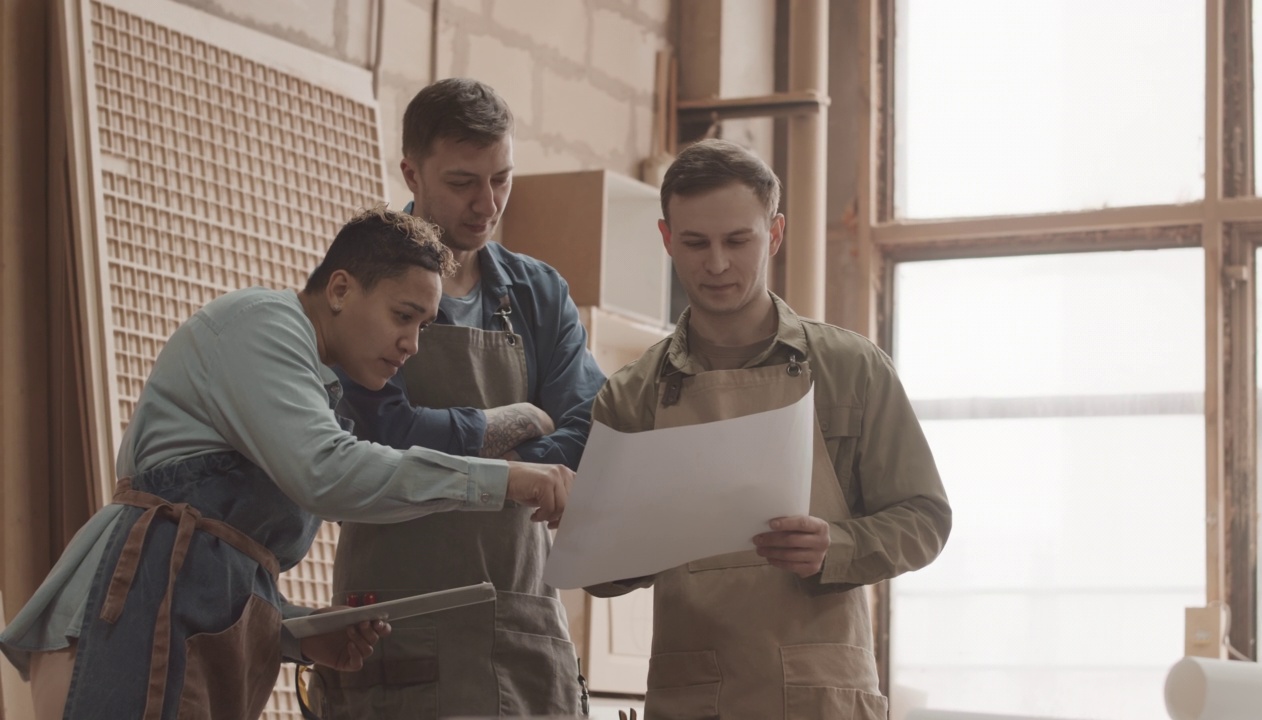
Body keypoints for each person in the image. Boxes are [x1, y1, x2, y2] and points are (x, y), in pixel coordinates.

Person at [0, 207, 573, 720]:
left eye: (423, 326)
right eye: (403, 316)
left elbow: (227, 557)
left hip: (193, 633)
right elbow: (328, 473)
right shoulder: (263, 324)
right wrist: (503, 479)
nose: (412, 345)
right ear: (342, 289)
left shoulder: (320, 389)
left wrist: (298, 631)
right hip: (133, 619)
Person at [584, 139, 952, 720]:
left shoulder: (851, 369)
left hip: (822, 692)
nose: (717, 264)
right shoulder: (631, 396)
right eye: (695, 243)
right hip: (691, 693)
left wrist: (838, 545)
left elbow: (926, 518)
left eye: (738, 240)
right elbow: (598, 573)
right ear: (665, 239)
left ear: (775, 234)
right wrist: (629, 539)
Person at [318, 78, 606, 718]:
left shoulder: (538, 293)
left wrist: (521, 466)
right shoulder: (363, 285)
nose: (488, 204)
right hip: (394, 628)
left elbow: (587, 421)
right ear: (411, 173)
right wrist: (512, 457)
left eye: (502, 179)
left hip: (518, 621)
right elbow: (380, 436)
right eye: (462, 183)